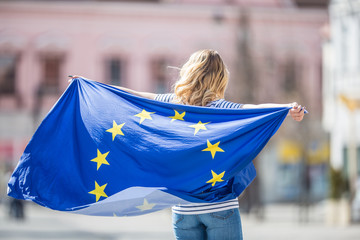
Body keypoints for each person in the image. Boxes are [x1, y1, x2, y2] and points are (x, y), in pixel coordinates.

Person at [70, 49, 304, 240]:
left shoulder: (171, 104)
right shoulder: (221, 109)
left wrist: (91, 85)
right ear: (220, 78)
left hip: (182, 212)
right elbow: (253, 110)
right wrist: (286, 108)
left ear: (189, 73)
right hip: (219, 208)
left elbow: (134, 95)